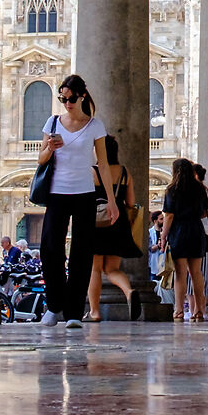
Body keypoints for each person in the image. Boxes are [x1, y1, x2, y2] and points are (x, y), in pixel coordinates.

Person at [38, 74, 119, 330]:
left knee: (82, 254)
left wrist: (112, 200)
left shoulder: (95, 126)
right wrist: (50, 148)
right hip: (56, 192)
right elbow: (40, 160)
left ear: (82, 96)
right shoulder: (52, 122)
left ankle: (74, 311)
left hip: (84, 193)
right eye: (62, 98)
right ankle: (54, 306)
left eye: (71, 98)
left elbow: (103, 165)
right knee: (50, 249)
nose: (67, 103)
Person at [86, 129, 140, 324]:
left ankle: (94, 311)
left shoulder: (92, 171)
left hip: (96, 222)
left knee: (95, 269)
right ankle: (129, 291)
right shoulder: (125, 172)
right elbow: (131, 202)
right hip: (118, 222)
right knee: (112, 269)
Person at [160, 155, 208, 324]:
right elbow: (206, 213)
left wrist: (163, 235)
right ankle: (198, 310)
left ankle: (179, 310)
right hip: (196, 231)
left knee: (180, 274)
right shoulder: (200, 189)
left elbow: (168, 216)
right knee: (196, 273)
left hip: (178, 233)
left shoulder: (171, 190)